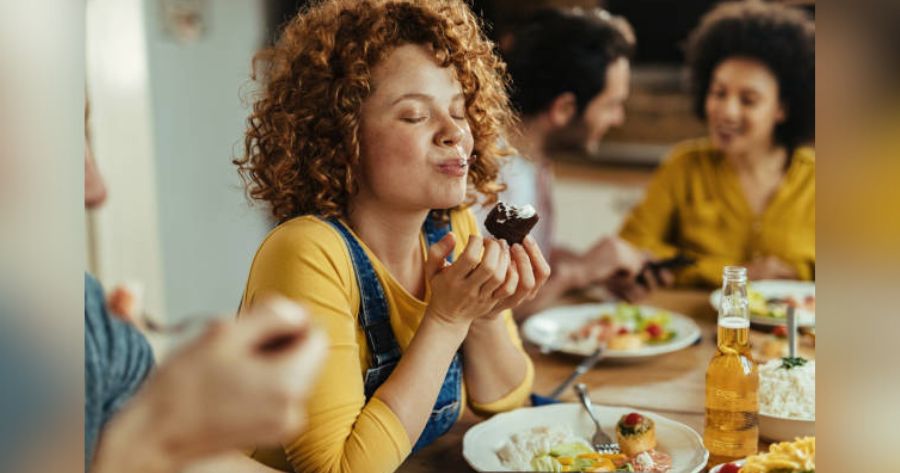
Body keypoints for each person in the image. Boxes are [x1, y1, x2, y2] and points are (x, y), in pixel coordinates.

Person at [233, 1, 549, 472]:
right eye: (415, 116)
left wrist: (483, 315)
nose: (455, 133)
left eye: (458, 111)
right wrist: (446, 321)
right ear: (342, 137)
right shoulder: (307, 253)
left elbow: (504, 401)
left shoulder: (451, 226)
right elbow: (338, 470)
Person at [84, 106, 328, 473]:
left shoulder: (90, 319)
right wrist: (163, 431)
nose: (96, 190)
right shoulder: (304, 248)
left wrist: (180, 428)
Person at [618, 0, 815, 287]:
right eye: (719, 93)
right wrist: (736, 273)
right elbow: (632, 247)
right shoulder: (684, 166)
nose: (727, 111)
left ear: (782, 109)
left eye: (748, 100)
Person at [478, 7, 659, 315]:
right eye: (612, 105)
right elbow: (485, 309)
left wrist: (599, 270)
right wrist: (580, 272)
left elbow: (526, 257)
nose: (618, 119)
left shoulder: (534, 157)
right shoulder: (485, 174)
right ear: (563, 108)